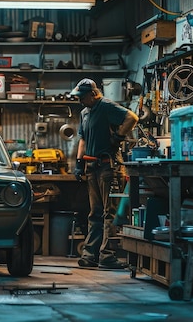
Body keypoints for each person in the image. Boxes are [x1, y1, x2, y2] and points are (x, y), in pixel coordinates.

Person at [71, 78, 139, 269]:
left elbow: (132, 118)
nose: (79, 101)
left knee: (110, 213)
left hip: (109, 167)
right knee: (95, 213)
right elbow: (82, 140)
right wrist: (78, 163)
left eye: (82, 97)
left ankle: (107, 255)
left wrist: (118, 137)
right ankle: (90, 254)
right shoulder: (85, 112)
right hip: (92, 168)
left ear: (93, 94)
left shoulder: (106, 106)